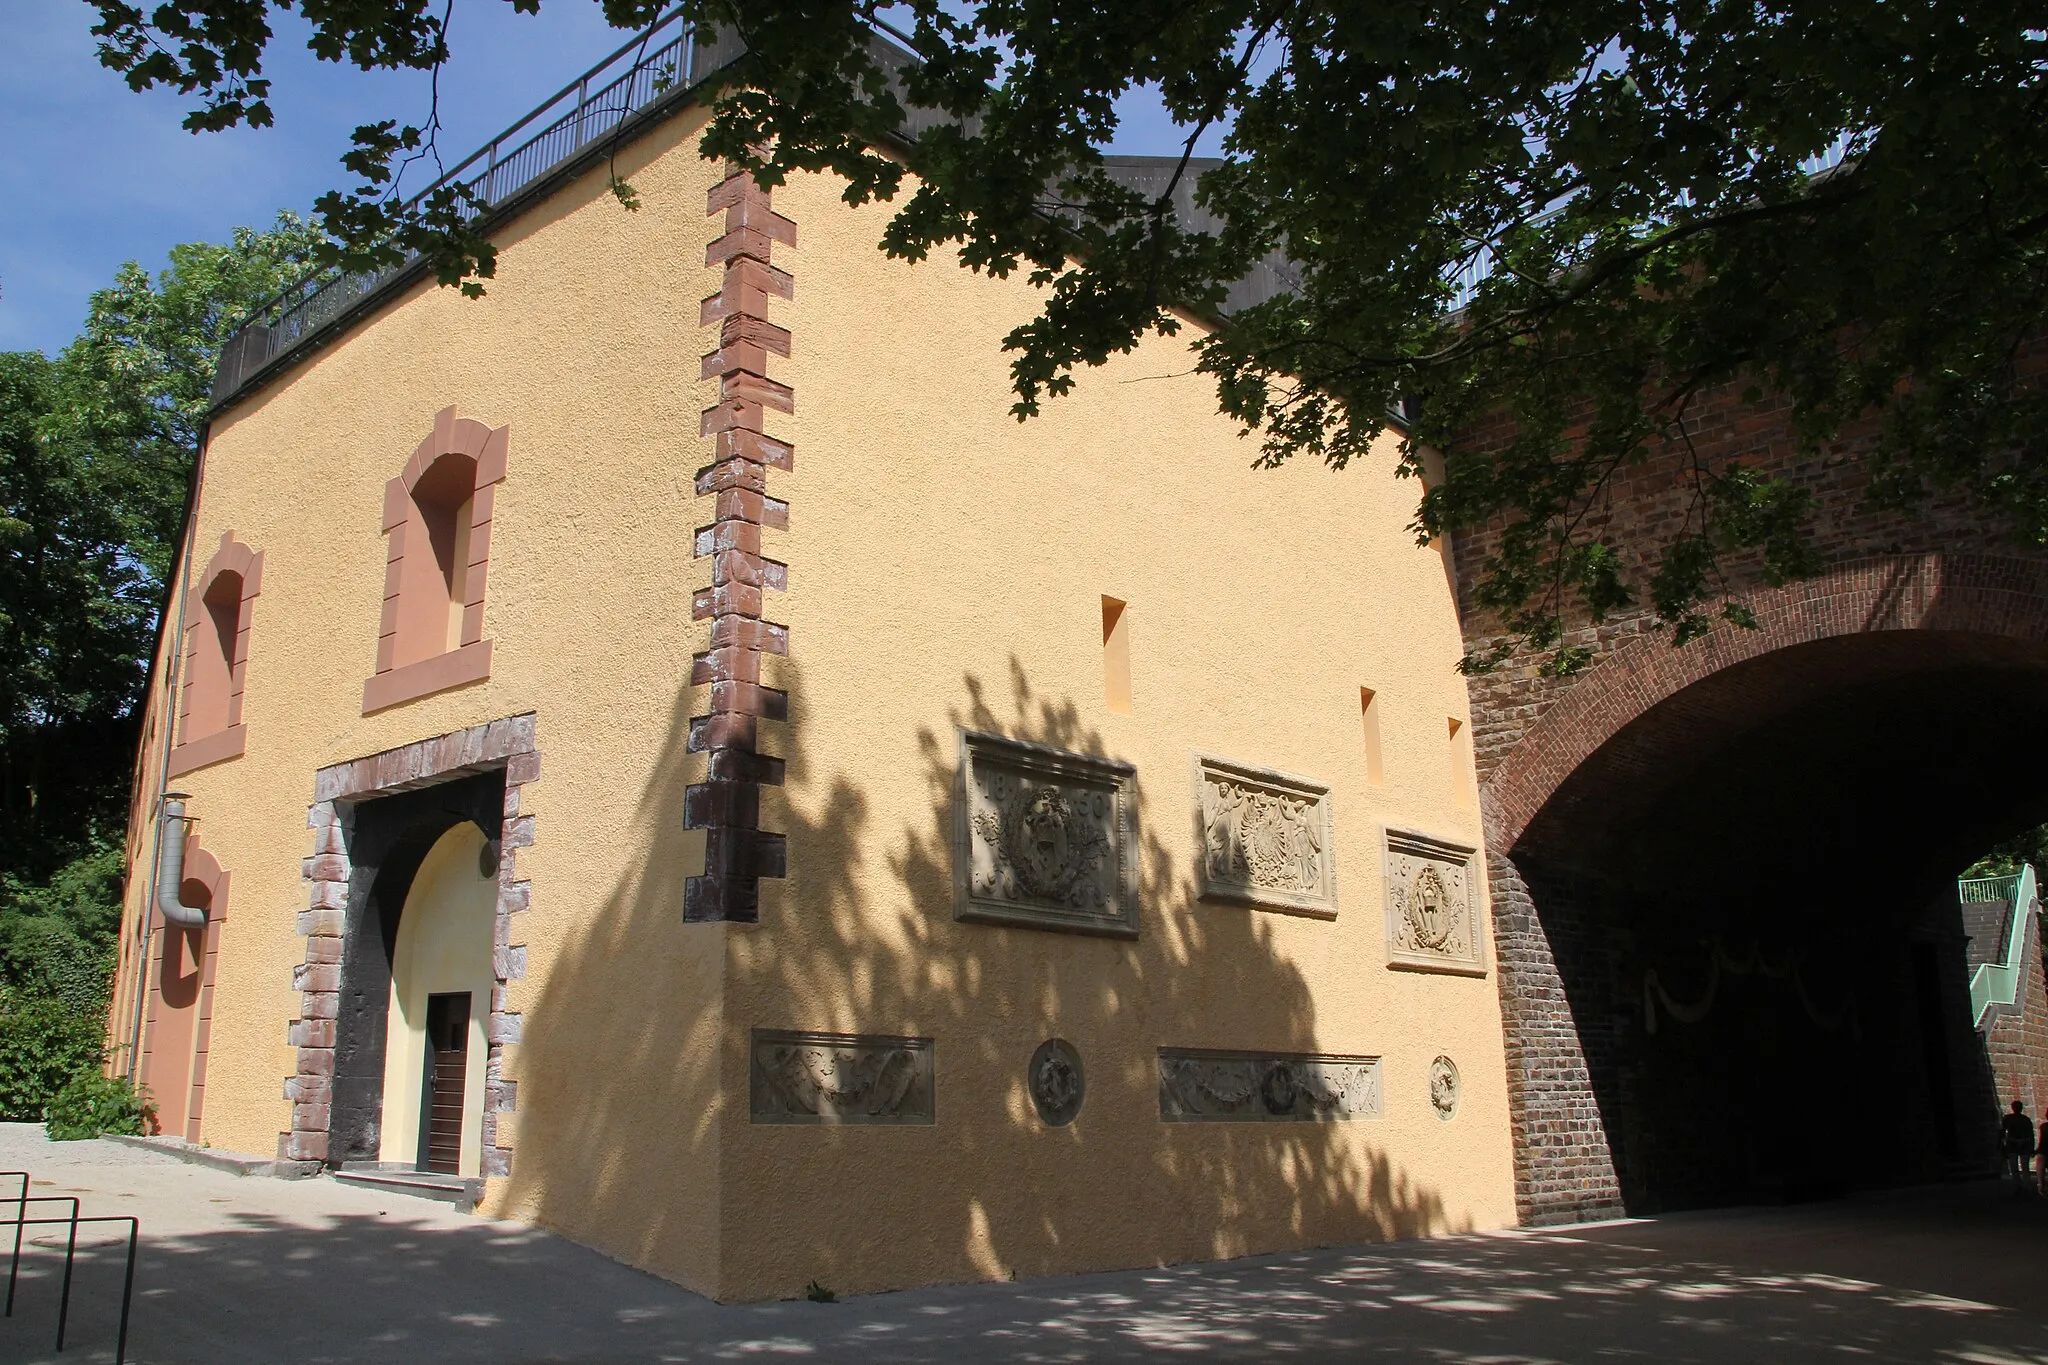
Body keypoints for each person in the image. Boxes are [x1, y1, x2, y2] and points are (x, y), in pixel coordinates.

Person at [1999, 1099, 2036, 1192]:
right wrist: (2032, 1148)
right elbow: (2031, 1135)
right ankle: (2026, 1186)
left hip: (2012, 1144)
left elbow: (2002, 1132)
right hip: (2024, 1144)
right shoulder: (2026, 1119)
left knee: (2014, 1168)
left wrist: (2000, 1144)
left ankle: (2018, 1186)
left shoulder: (2008, 1118)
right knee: (2024, 1168)